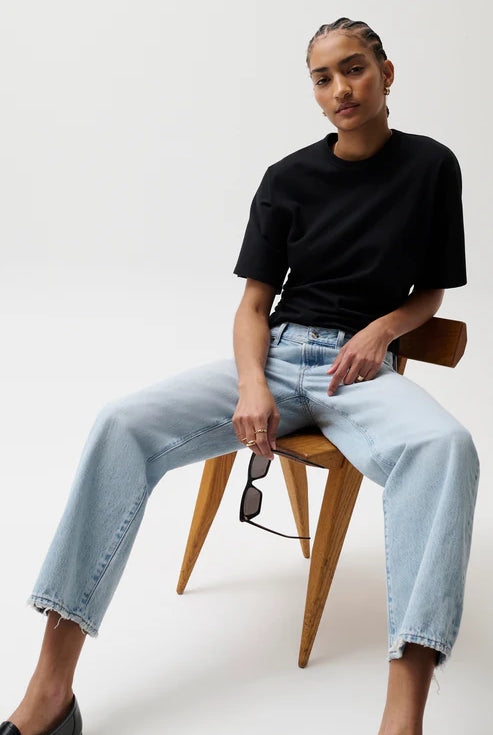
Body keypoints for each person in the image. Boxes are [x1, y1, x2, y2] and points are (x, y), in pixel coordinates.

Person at [1, 16, 480, 735]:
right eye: (322, 78)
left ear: (386, 72)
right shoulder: (287, 178)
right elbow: (253, 305)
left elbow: (430, 292)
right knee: (120, 423)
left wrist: (381, 331)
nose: (340, 89)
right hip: (276, 358)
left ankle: (401, 718)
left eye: (353, 69)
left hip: (361, 374)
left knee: (447, 449)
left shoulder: (431, 166)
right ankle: (51, 690)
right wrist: (253, 384)